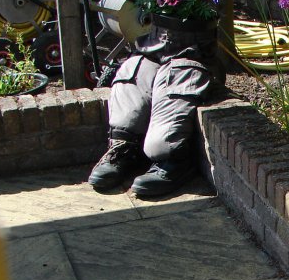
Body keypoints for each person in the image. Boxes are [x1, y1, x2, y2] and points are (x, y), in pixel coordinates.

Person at [88, 18, 225, 197]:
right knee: (135, 70)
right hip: (156, 40)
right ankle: (126, 149)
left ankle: (174, 162)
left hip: (194, 47)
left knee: (179, 76)